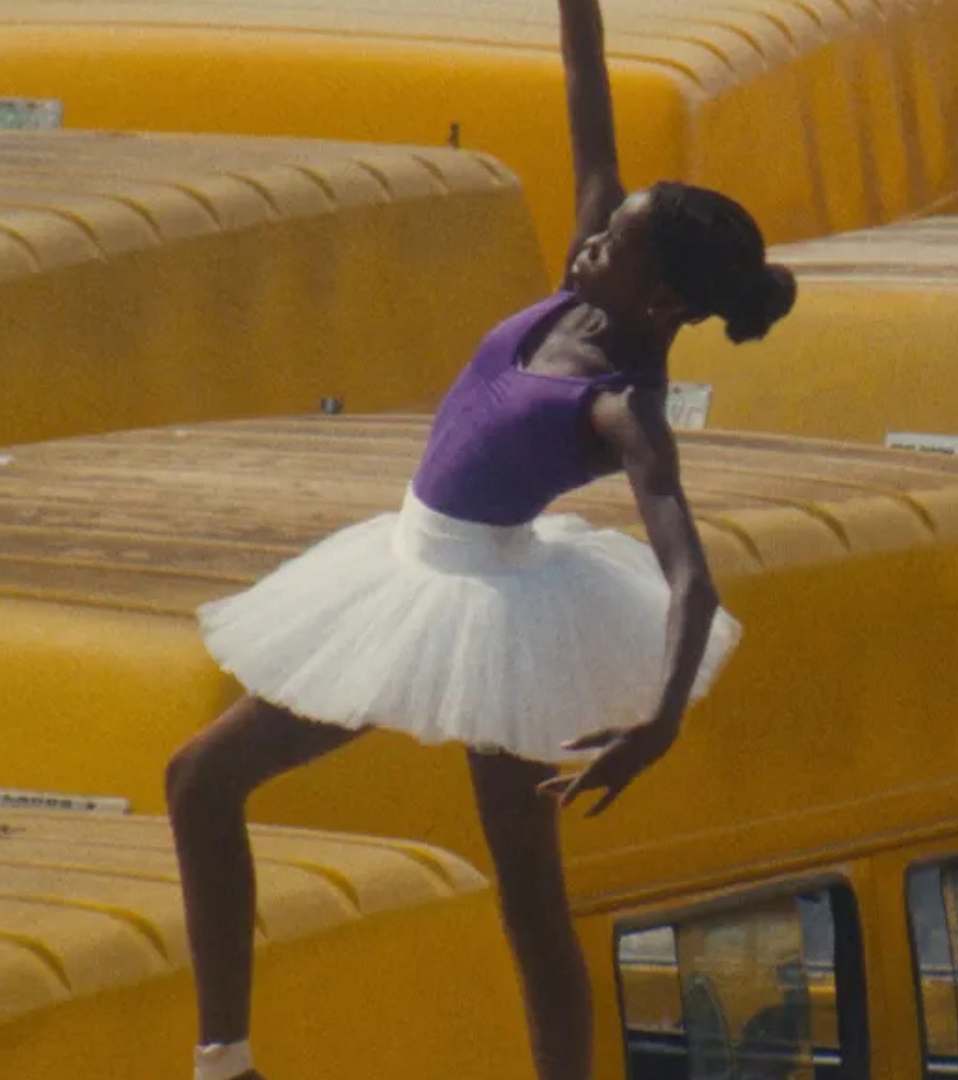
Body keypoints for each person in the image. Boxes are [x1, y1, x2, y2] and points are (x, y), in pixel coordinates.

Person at [165, 1, 796, 1078]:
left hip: (491, 609)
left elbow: (689, 576)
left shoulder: (622, 407)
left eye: (617, 241)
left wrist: (657, 727)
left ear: (663, 297)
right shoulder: (582, 279)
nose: (592, 236)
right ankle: (225, 1060)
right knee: (199, 781)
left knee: (528, 898)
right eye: (605, 227)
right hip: (404, 570)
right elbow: (586, 94)